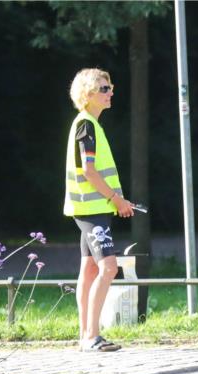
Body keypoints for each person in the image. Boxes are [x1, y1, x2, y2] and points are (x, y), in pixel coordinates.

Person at [64, 68, 135, 352]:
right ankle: (92, 336)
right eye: (104, 89)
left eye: (111, 87)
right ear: (89, 94)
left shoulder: (89, 123)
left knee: (90, 269)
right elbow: (89, 170)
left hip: (91, 207)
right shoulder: (87, 125)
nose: (111, 93)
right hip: (92, 208)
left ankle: (85, 335)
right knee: (109, 267)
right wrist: (117, 199)